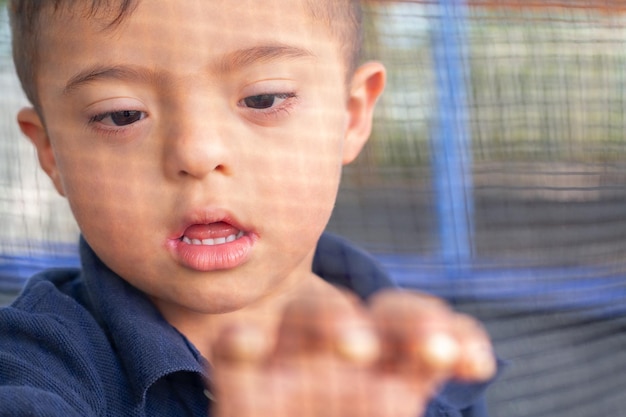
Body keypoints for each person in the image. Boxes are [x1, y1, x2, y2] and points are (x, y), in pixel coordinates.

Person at [0, 1, 499, 416]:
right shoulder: (36, 366)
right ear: (50, 154)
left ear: (351, 116)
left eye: (263, 99)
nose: (197, 153)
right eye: (121, 114)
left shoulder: (419, 355)